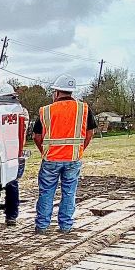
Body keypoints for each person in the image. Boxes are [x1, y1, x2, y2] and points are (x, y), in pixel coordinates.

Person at [33, 76, 95, 234]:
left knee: (46, 192)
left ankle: (42, 226)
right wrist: (79, 150)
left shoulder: (46, 110)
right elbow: (89, 133)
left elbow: (36, 136)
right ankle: (66, 226)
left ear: (56, 92)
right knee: (69, 192)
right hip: (73, 159)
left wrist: (44, 151)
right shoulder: (83, 109)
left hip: (51, 159)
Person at [3, 93, 28, 226]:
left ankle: (10, 215)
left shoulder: (19, 113)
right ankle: (10, 216)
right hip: (13, 154)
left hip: (12, 154)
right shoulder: (21, 111)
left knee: (10, 184)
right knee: (11, 185)